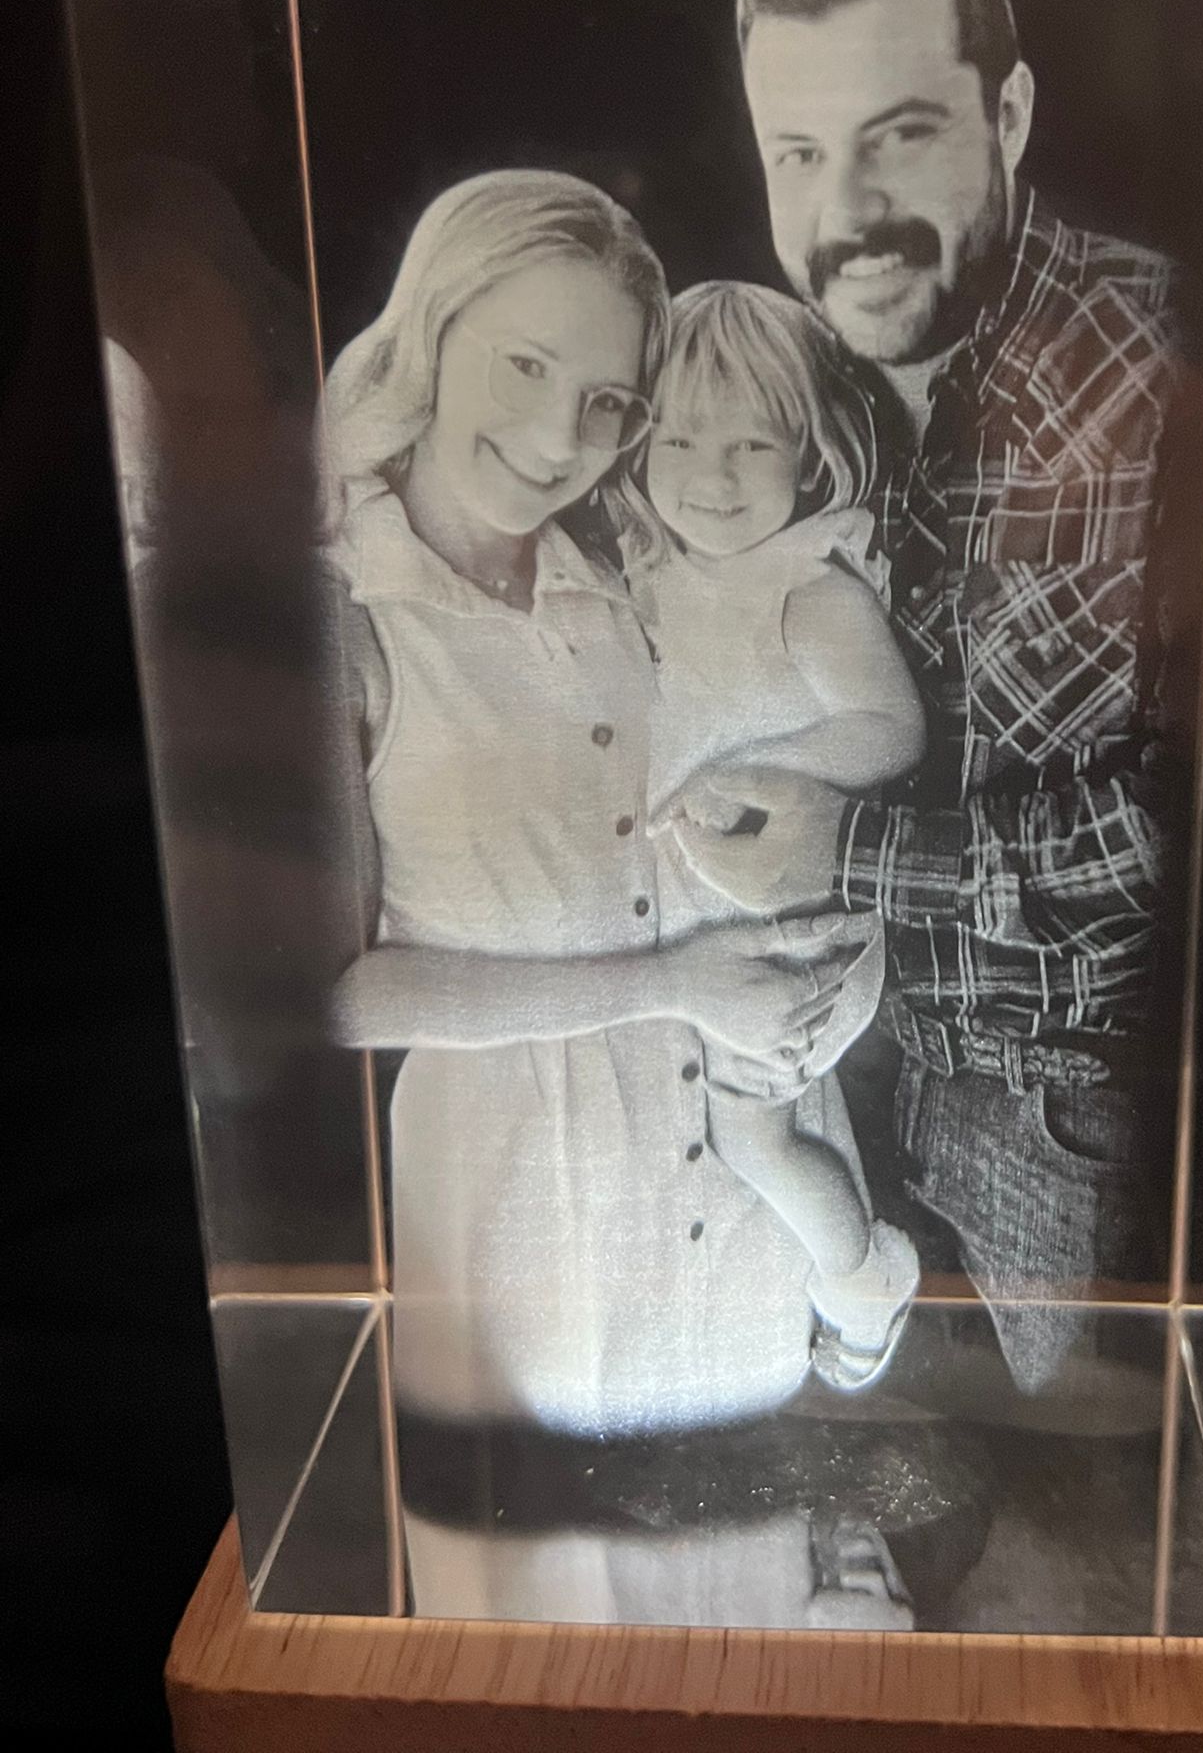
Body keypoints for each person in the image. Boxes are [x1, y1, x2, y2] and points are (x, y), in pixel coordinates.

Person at [676, 0, 1185, 1395]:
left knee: (1090, 1536)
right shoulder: (805, 377)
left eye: (900, 133)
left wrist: (853, 856)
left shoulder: (1153, 381)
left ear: (1009, 113)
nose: (846, 212)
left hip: (1065, 1122)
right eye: (801, 151)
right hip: (847, 1066)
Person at [320, 169, 868, 1442]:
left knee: (745, 1598)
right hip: (525, 1203)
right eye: (523, 365)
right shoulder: (343, 609)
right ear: (433, 330)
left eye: (605, 399)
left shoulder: (641, 566)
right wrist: (673, 980)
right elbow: (341, 996)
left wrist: (822, 962)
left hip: (739, 1157)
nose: (561, 437)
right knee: (560, 1605)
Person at [628, 280, 924, 1388]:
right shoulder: (664, 574)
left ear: (809, 454)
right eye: (683, 438)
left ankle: (862, 1281)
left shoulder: (808, 590)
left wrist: (764, 768)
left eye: (752, 443)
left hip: (802, 923)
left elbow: (891, 727)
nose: (711, 475)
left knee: (752, 1135)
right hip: (717, 915)